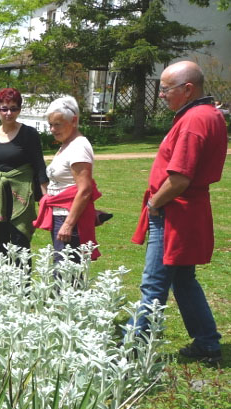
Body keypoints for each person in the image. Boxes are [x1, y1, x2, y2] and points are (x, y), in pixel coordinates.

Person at [128, 61, 226, 364]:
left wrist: (155, 203)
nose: (161, 94)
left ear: (188, 89)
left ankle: (131, 350)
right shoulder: (207, 114)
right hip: (185, 212)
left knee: (153, 284)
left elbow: (180, 178)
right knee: (183, 280)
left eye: (166, 89)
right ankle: (207, 343)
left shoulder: (195, 120)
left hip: (174, 213)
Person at [0, 88, 48, 257]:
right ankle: (1, 275)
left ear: (19, 110)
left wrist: (46, 199)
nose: (9, 113)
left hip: (20, 197)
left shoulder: (29, 134)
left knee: (20, 243)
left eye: (14, 108)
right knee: (0, 243)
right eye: (4, 109)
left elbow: (39, 167)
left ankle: (22, 276)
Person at [33, 96, 102, 264]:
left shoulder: (78, 147)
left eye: (57, 124)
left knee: (65, 272)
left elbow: (84, 190)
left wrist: (69, 224)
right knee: (62, 270)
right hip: (61, 215)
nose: (52, 129)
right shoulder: (67, 144)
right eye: (50, 124)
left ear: (74, 121)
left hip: (69, 218)